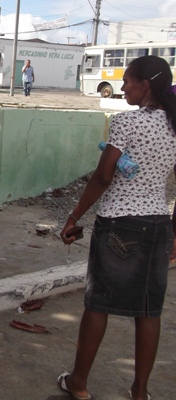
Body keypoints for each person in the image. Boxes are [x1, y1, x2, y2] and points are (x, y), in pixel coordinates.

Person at [57, 55, 176, 400]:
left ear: (145, 85)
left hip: (119, 225)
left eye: (127, 81)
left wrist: (75, 216)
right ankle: (140, 391)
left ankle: (79, 383)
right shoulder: (174, 125)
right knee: (149, 311)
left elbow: (103, 175)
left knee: (99, 304)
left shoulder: (127, 122)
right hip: (158, 224)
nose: (123, 88)